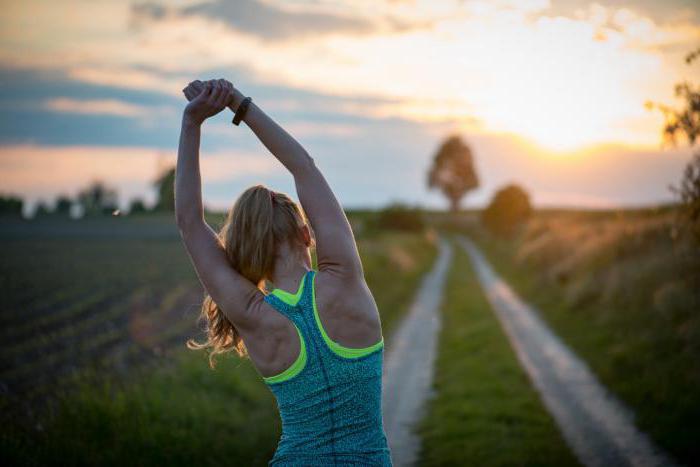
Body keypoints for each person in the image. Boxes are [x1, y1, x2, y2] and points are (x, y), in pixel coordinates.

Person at [175, 78, 392, 466]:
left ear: (248, 253)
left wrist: (192, 123)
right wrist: (239, 104)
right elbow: (302, 166)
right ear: (307, 234)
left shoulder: (253, 314)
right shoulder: (343, 280)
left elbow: (190, 223)